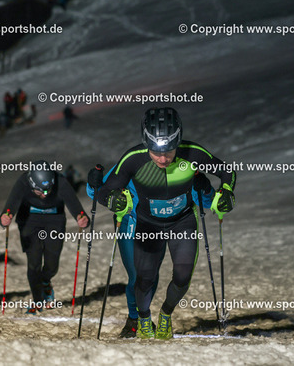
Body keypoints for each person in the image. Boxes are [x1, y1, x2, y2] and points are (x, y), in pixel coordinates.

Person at [97, 107, 236, 340]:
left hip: (182, 222)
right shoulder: (133, 159)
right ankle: (143, 318)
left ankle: (165, 314)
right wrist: (112, 199)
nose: (163, 159)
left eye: (169, 151)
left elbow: (226, 172)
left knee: (182, 276)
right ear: (146, 143)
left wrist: (227, 192)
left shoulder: (193, 153)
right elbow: (103, 191)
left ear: (178, 142)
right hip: (147, 225)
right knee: (144, 279)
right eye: (156, 152)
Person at [87, 168, 214, 338]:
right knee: (136, 275)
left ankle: (156, 315)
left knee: (152, 274)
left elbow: (206, 201)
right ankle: (135, 319)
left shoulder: (180, 167)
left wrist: (205, 187)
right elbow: (97, 192)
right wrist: (93, 182)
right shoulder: (131, 162)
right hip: (130, 222)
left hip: (160, 226)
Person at [0, 160, 89, 314]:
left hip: (54, 220)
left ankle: (46, 281)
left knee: (52, 264)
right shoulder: (23, 181)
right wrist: (5, 217)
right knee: (34, 263)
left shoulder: (60, 181)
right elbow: (11, 204)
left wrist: (82, 218)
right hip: (29, 220)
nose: (44, 195)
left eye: (48, 190)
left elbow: (75, 205)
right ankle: (38, 301)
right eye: (39, 192)